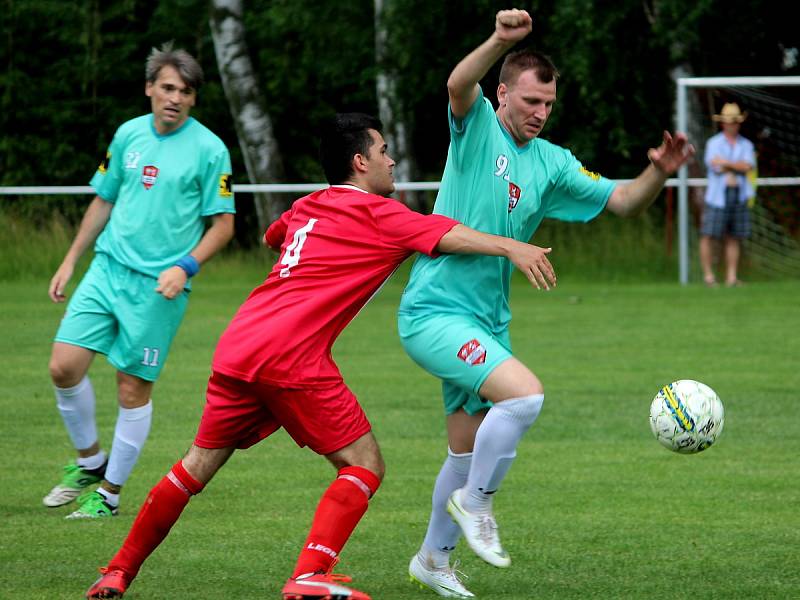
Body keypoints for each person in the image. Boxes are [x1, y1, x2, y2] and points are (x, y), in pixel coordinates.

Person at [83, 112, 557, 600]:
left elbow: (274, 235)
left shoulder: (309, 204)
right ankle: (309, 574)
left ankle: (117, 570)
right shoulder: (379, 214)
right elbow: (446, 235)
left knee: (195, 466)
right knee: (364, 464)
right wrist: (511, 248)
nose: (392, 161)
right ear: (359, 162)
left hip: (241, 344)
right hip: (294, 354)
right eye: (383, 152)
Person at [397, 9, 695, 598]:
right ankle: (476, 506)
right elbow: (458, 85)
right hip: (433, 311)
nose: (539, 113)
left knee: (464, 450)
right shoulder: (477, 126)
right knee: (526, 395)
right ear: (503, 93)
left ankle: (433, 558)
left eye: (548, 105)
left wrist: (657, 173)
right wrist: (499, 40)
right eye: (530, 101)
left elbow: (624, 201)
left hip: (486, 322)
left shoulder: (554, 162)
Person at [43, 43, 235, 519]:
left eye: (185, 91)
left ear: (193, 99)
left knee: (132, 389)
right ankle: (90, 462)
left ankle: (107, 495)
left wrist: (183, 267)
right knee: (63, 367)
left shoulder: (211, 150)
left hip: (157, 288)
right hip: (106, 270)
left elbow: (224, 226)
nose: (174, 97)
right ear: (150, 88)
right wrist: (71, 260)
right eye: (167, 87)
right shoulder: (128, 134)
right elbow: (103, 201)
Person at [699, 102, 755, 287]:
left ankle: (731, 277)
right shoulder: (713, 143)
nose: (733, 125)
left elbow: (747, 167)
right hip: (717, 196)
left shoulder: (746, 145)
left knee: (734, 236)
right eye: (730, 122)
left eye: (736, 122)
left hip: (739, 194)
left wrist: (726, 163)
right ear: (723, 123)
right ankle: (709, 276)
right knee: (709, 234)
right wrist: (735, 165)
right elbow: (714, 165)